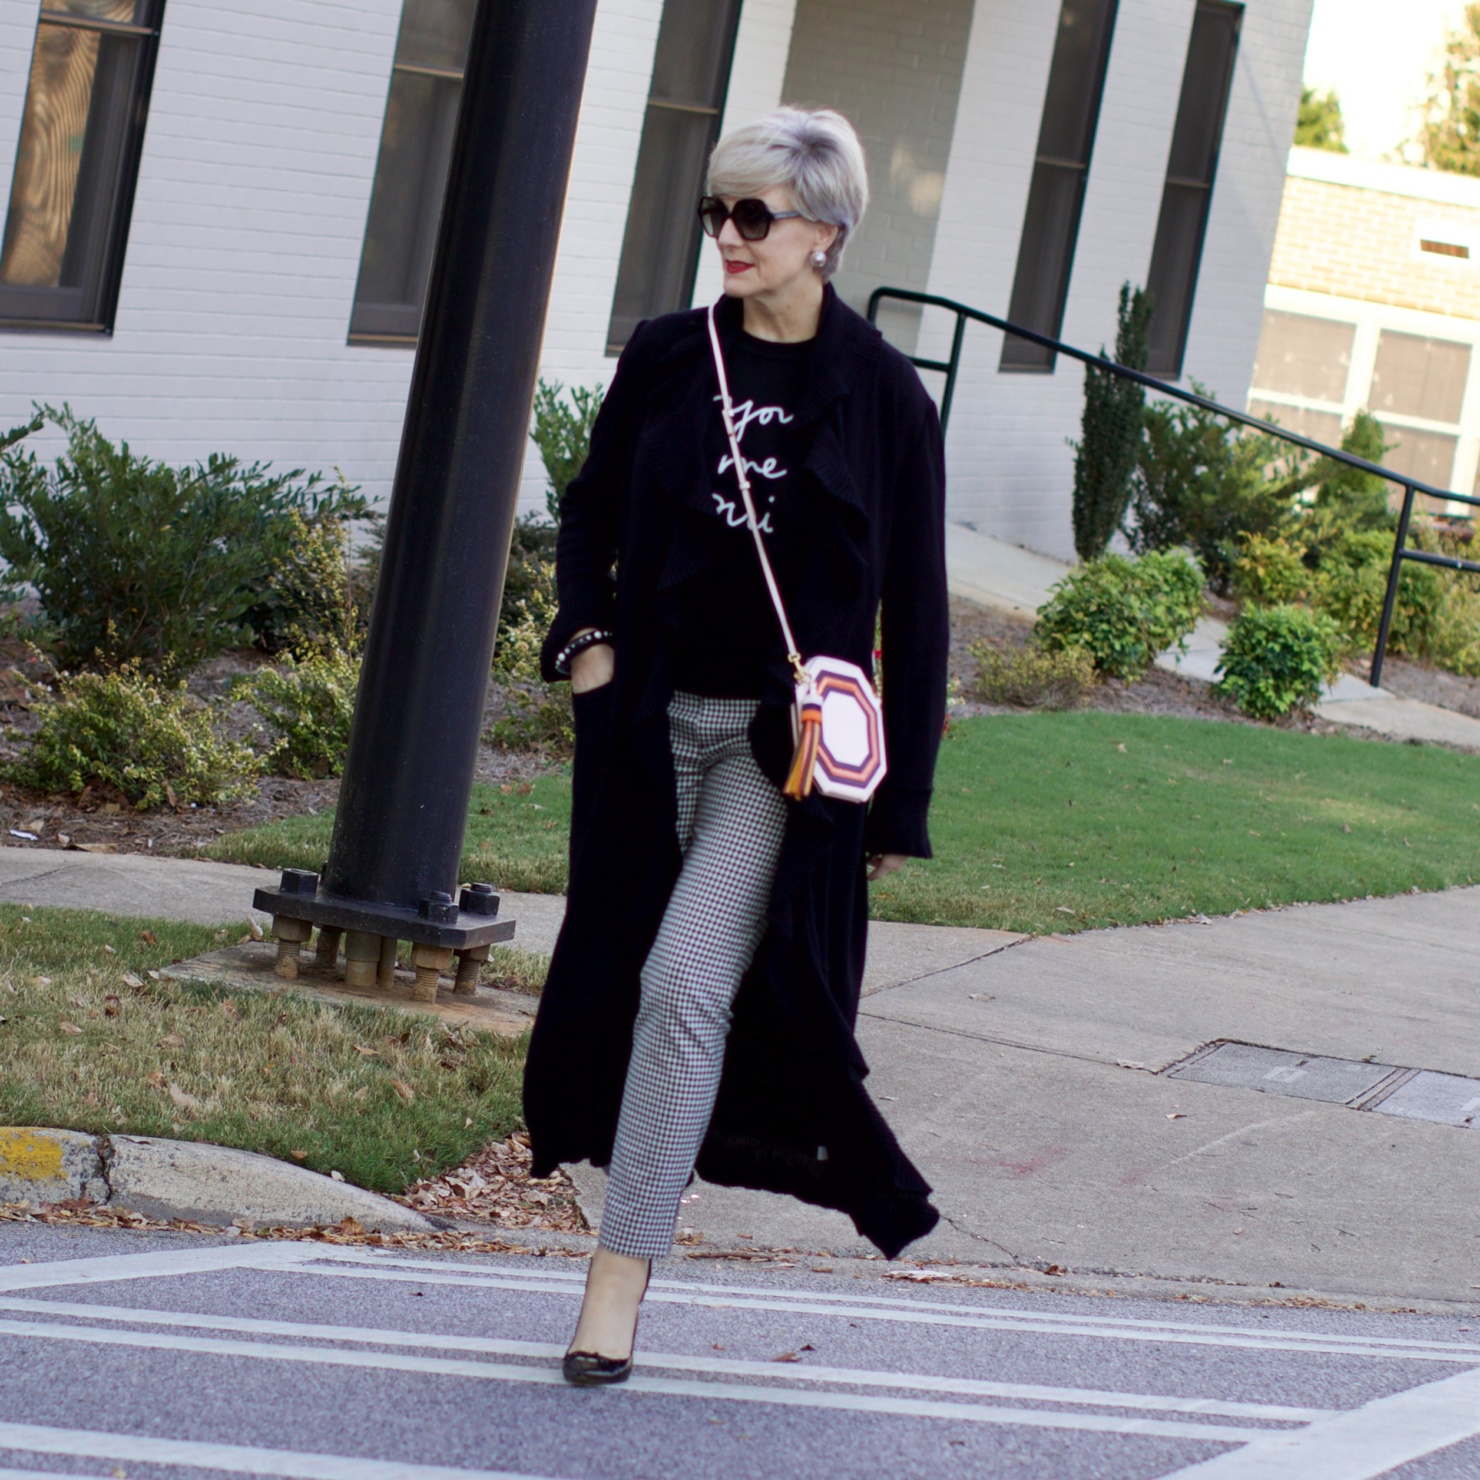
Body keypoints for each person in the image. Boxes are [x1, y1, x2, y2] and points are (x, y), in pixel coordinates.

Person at [525, 105, 949, 1386]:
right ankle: (624, 1222)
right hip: (648, 726)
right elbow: (591, 505)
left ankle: (615, 1283)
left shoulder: (880, 395)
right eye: (715, 211)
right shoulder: (667, 354)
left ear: (823, 231)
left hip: (778, 757)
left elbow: (915, 613)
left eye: (752, 215)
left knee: (686, 986)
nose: (726, 234)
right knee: (611, 975)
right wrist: (585, 641)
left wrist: (896, 810)